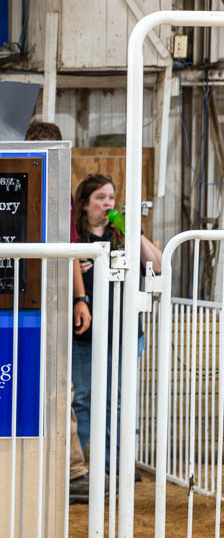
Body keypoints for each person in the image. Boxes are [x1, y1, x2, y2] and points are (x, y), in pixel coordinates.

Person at [70, 173, 161, 483]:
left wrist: (134, 230)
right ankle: (79, 471)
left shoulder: (124, 237)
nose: (107, 204)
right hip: (85, 335)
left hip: (125, 333)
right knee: (83, 399)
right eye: (100, 198)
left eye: (111, 197)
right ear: (85, 204)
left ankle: (114, 465)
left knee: (117, 401)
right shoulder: (76, 241)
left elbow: (158, 265)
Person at [24, 120, 94, 501]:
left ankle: (71, 469)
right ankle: (62, 469)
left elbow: (71, 250)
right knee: (44, 384)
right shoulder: (22, 181)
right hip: (29, 297)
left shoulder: (60, 191)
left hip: (52, 298)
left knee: (59, 385)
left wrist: (80, 298)